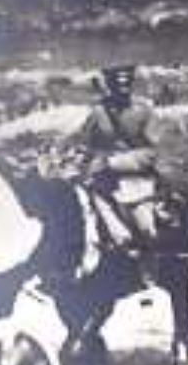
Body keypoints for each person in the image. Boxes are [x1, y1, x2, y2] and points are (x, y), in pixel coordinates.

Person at [66, 64, 161, 254]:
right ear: (109, 84)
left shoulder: (144, 111)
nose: (122, 87)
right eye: (117, 83)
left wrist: (114, 163)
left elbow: (154, 152)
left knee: (147, 232)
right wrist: (74, 160)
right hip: (104, 183)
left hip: (137, 183)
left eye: (126, 83)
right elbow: (84, 144)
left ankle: (148, 274)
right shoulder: (98, 113)